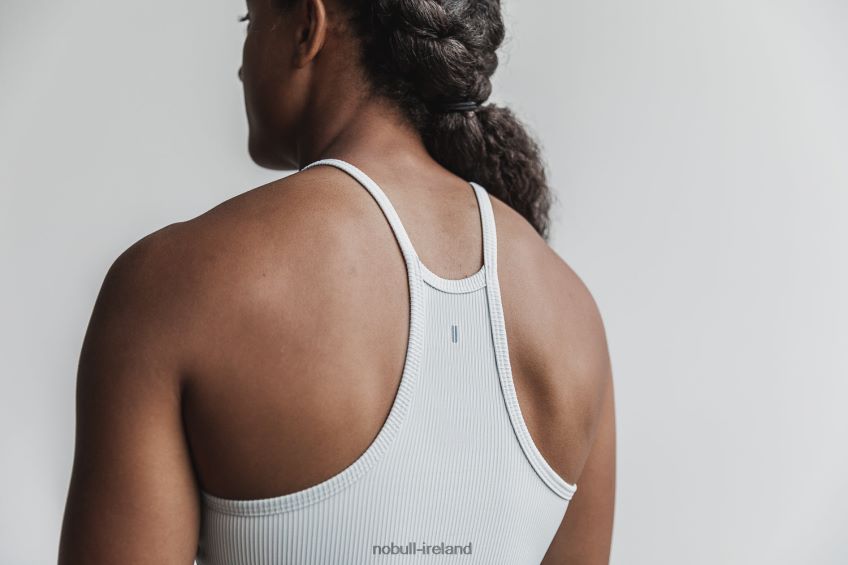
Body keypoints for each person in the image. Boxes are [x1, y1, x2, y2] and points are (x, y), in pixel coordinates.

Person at [58, 0, 616, 563]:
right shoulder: (574, 316)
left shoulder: (171, 288)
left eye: (250, 21)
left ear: (308, 26)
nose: (241, 66)